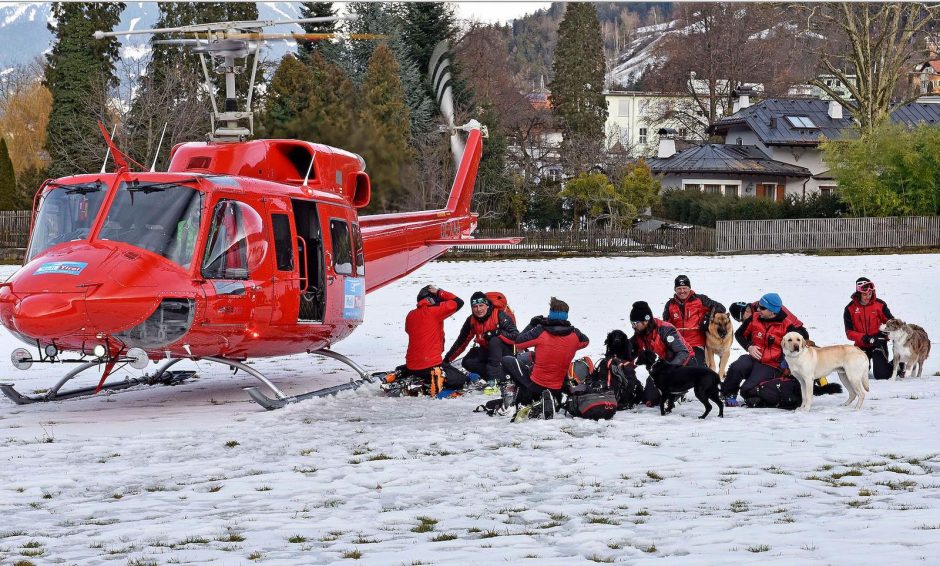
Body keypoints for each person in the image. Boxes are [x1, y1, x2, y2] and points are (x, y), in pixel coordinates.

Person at [502, 297, 589, 420]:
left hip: (536, 384)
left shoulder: (541, 330)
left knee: (507, 360)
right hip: (558, 386)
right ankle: (551, 398)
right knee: (535, 358)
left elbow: (518, 342)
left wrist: (532, 324)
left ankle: (513, 395)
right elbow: (585, 342)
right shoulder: (575, 334)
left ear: (550, 313)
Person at [721, 292, 809, 406]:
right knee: (737, 366)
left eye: (762, 307)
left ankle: (760, 396)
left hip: (771, 365)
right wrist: (749, 347)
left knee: (746, 390)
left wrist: (786, 361)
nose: (758, 309)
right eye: (758, 306)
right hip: (754, 359)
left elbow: (799, 346)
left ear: (772, 311)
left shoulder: (787, 326)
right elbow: (739, 334)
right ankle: (728, 394)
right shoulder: (755, 317)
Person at [444, 291, 519, 391]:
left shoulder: (499, 315)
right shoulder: (471, 320)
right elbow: (461, 341)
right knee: (467, 362)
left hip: (505, 353)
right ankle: (498, 377)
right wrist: (447, 360)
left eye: (481, 305)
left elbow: (516, 337)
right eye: (475, 306)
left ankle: (494, 380)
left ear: (487, 305)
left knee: (494, 341)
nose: (478, 309)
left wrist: (497, 332)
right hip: (488, 351)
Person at [401, 285, 465, 394]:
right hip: (429, 364)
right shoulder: (434, 311)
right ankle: (430, 383)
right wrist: (440, 292)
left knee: (445, 368)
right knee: (461, 379)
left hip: (411, 365)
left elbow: (408, 330)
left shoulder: (410, 315)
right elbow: (458, 302)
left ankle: (411, 375)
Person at [663, 274, 726, 365]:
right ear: (675, 290)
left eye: (684, 288)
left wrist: (707, 318)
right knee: (669, 370)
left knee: (695, 370)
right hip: (677, 344)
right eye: (679, 288)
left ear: (689, 288)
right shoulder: (670, 304)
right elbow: (666, 325)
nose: (682, 291)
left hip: (696, 344)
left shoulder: (700, 299)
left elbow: (721, 308)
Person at [844, 277, 893, 380]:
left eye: (870, 294)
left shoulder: (880, 304)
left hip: (878, 343)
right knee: (859, 376)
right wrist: (865, 338)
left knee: (882, 376)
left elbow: (891, 323)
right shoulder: (849, 309)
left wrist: (883, 334)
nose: (868, 297)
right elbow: (849, 333)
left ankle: (900, 364)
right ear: (858, 293)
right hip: (861, 345)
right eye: (864, 294)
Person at [629, 300, 696, 367]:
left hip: (685, 365)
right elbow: (629, 350)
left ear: (646, 321)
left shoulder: (665, 330)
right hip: (664, 366)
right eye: (632, 323)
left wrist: (669, 369)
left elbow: (683, 353)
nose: (633, 326)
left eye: (635, 323)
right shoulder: (641, 333)